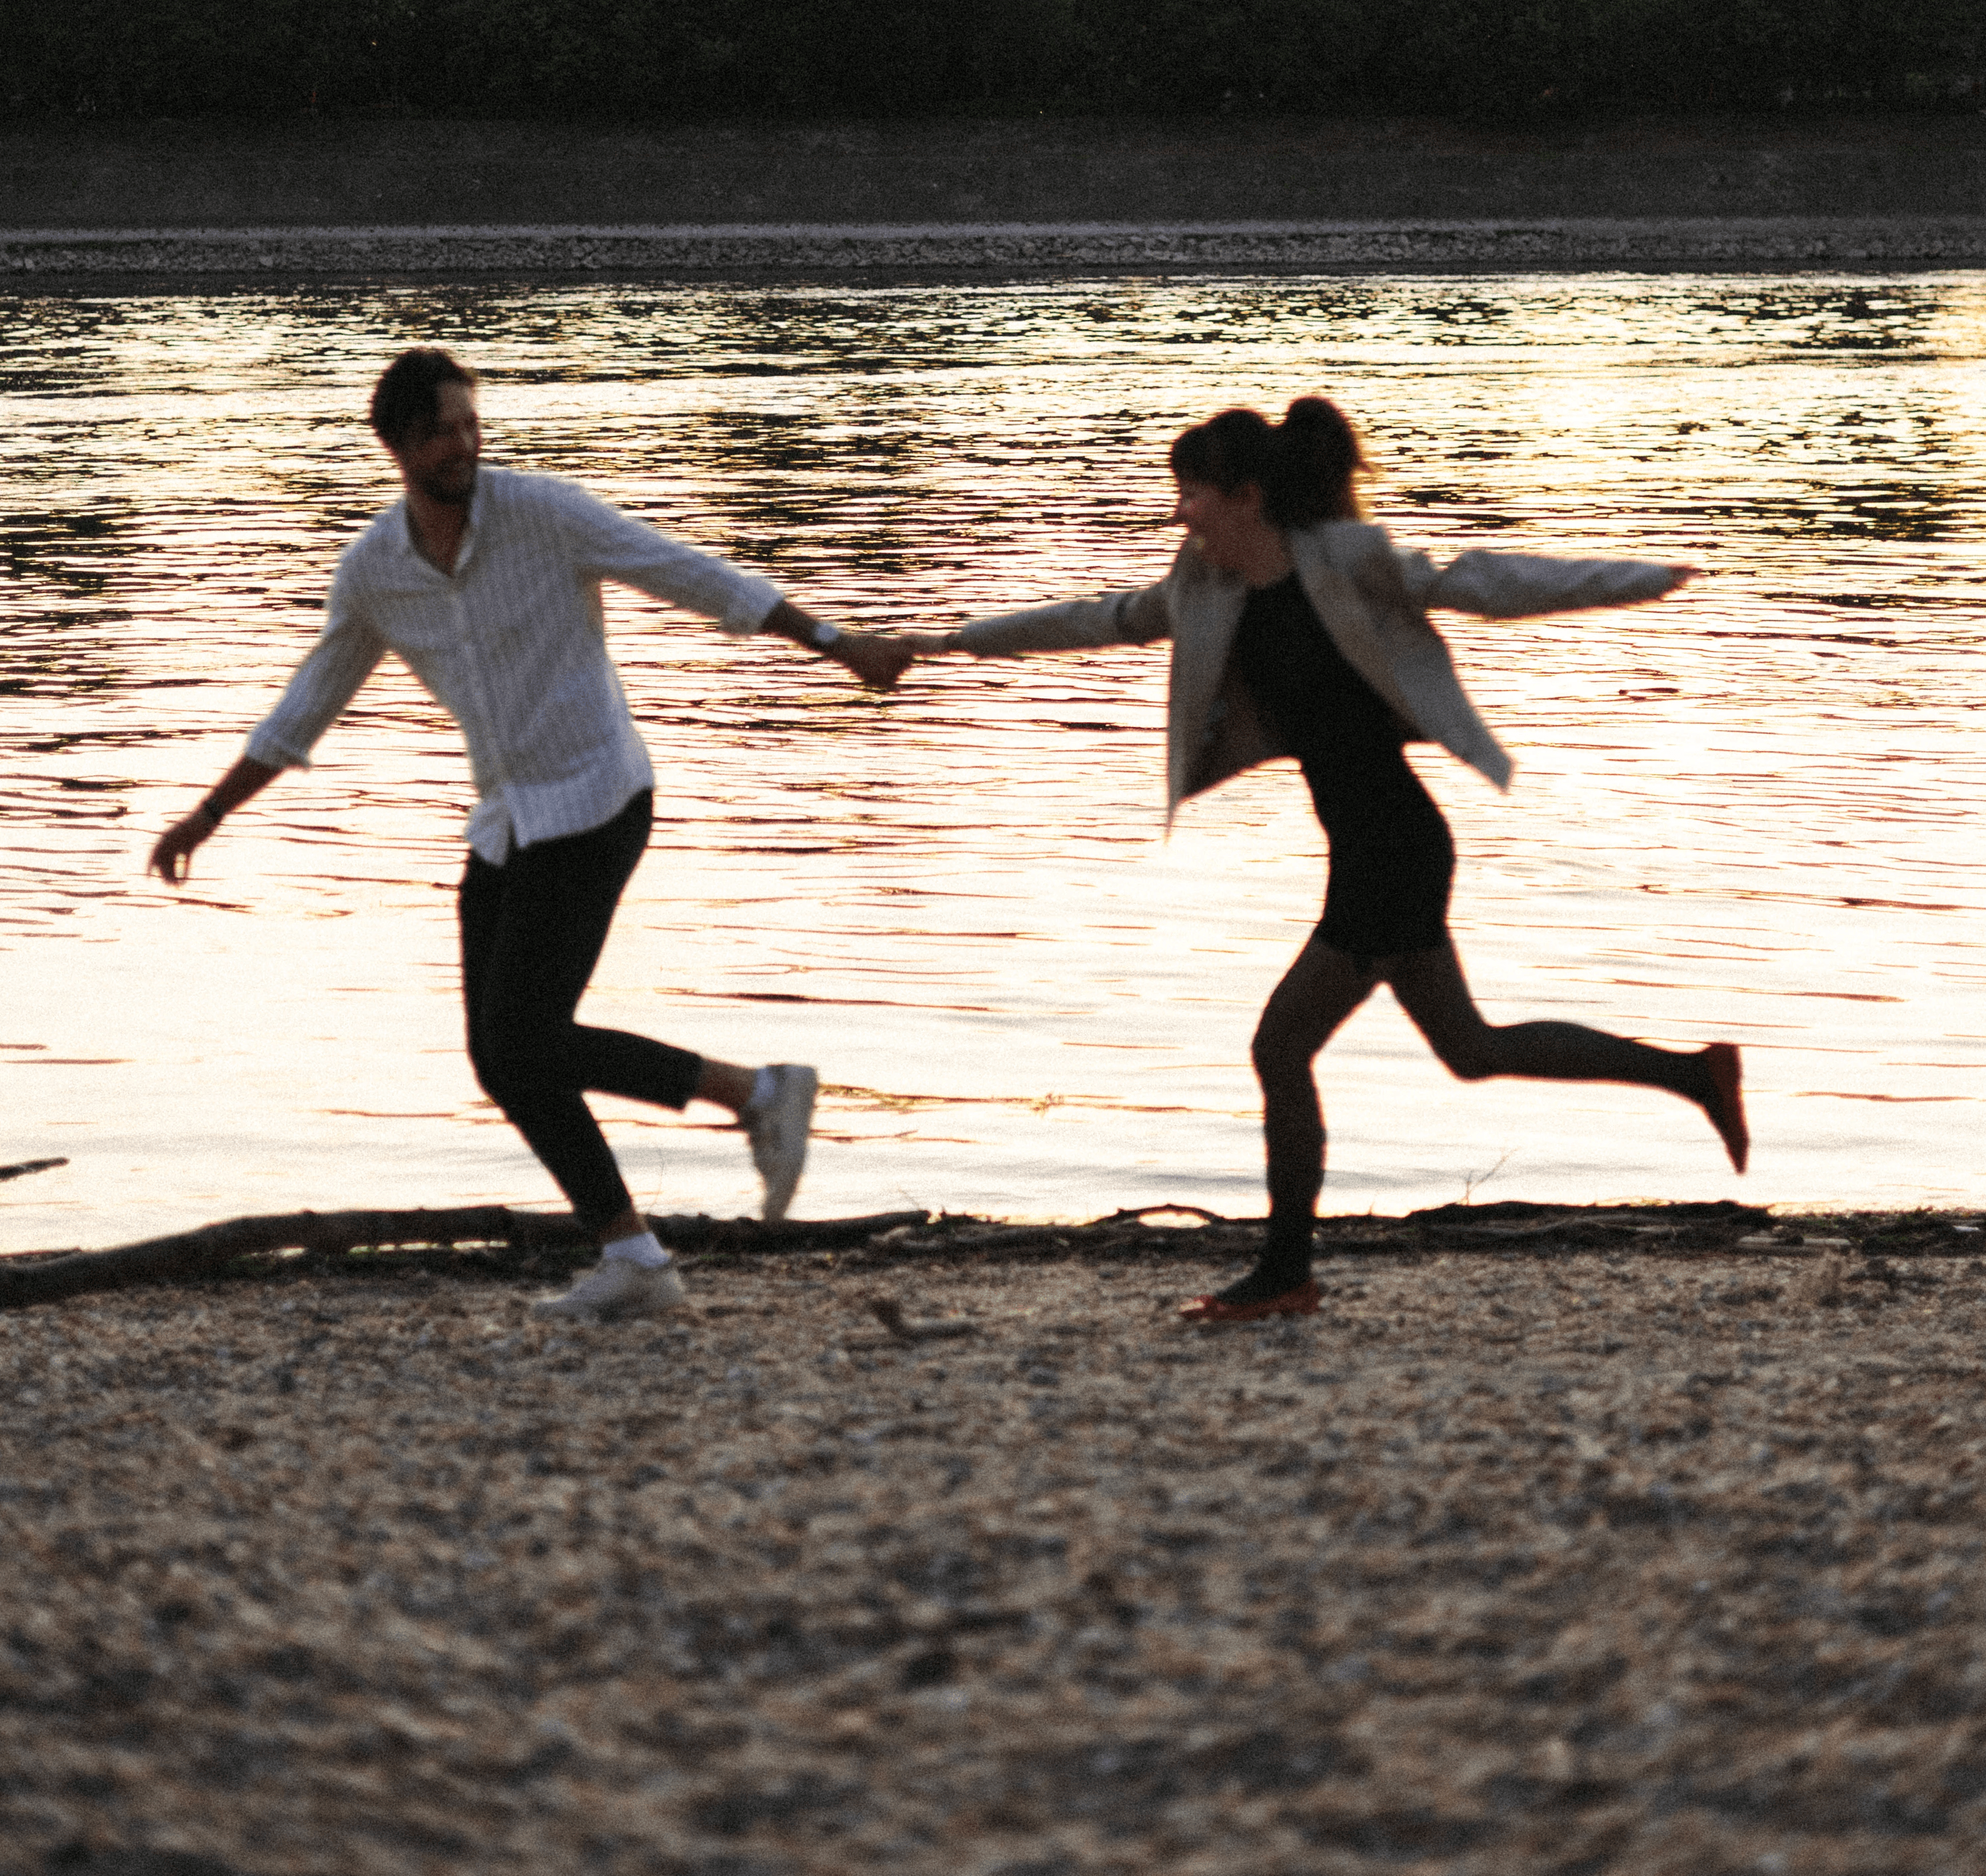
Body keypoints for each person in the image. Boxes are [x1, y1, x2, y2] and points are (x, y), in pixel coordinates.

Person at [918, 396, 1747, 1324]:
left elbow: (1479, 581)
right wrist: (943, 642)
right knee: (1469, 1049)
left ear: (1244, 494)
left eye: (1189, 493)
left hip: (1391, 843)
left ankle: (1285, 1274)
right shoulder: (1205, 586)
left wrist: (1632, 578)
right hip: (1376, 840)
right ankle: (1694, 1075)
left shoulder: (1344, 562)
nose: (1177, 513)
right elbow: (1095, 618)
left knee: (1280, 1045)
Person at [149, 346, 914, 1321]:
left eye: (472, 425)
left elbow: (681, 571)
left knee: (524, 1035)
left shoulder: (543, 512)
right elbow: (308, 704)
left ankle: (755, 1096)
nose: (464, 445)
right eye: (441, 431)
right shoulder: (377, 569)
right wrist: (206, 816)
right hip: (508, 820)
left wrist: (836, 643)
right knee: (503, 1055)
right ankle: (636, 1250)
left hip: (598, 797)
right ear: (396, 445)